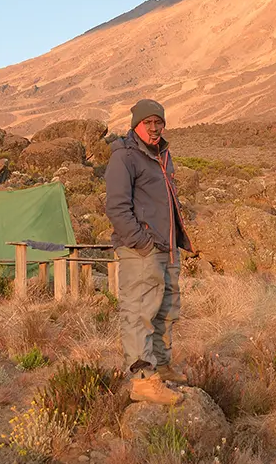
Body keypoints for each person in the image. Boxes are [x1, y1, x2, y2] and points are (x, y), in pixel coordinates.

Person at [105, 98, 194, 405]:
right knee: (140, 311)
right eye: (148, 123)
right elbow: (116, 207)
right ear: (136, 125)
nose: (154, 128)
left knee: (166, 310)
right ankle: (143, 380)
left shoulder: (162, 155)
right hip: (142, 250)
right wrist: (141, 242)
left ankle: (162, 366)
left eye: (159, 122)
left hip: (167, 249)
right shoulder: (125, 157)